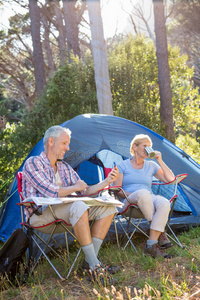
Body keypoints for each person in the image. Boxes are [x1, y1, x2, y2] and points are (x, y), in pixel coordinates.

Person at [22, 125, 120, 283]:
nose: (67, 148)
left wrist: (107, 181)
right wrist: (75, 188)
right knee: (79, 205)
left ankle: (89, 263)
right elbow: (51, 190)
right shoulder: (33, 163)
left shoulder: (64, 167)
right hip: (40, 216)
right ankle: (95, 268)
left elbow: (85, 190)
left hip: (65, 213)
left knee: (109, 207)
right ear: (51, 142)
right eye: (64, 143)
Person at [114, 134, 175, 258]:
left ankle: (151, 245)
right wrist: (136, 195)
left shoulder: (151, 165)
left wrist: (159, 160)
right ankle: (160, 230)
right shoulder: (122, 166)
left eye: (149, 147)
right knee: (143, 193)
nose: (148, 149)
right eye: (145, 146)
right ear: (135, 147)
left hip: (147, 199)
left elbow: (170, 179)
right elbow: (118, 190)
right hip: (129, 201)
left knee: (164, 202)